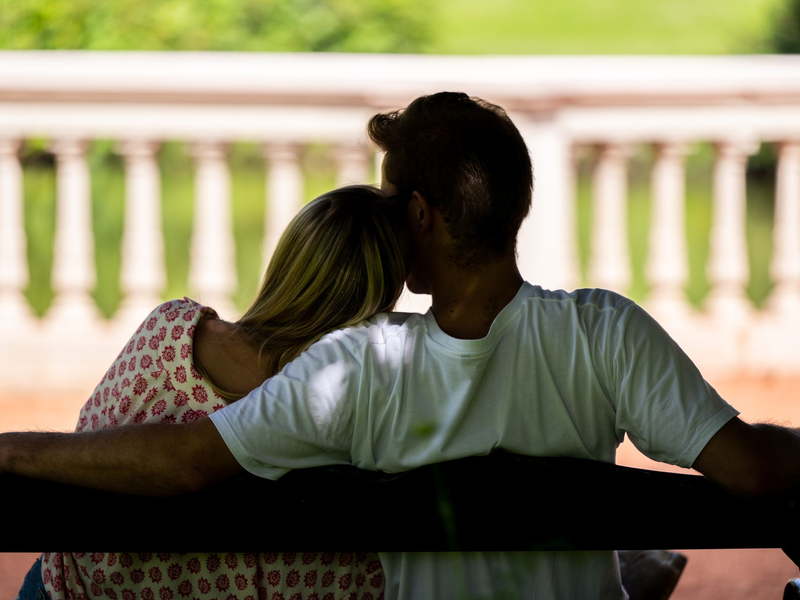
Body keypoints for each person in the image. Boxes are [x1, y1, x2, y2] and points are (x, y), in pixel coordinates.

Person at [3, 92, 799, 599]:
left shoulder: (358, 368)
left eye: (390, 196)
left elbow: (183, 462)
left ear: (419, 214)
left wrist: (11, 451)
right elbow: (757, 471)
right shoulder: (606, 332)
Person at [23, 184, 408, 600]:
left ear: (287, 263)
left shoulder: (172, 337)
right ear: (382, 297)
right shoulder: (369, 403)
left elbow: (87, 450)